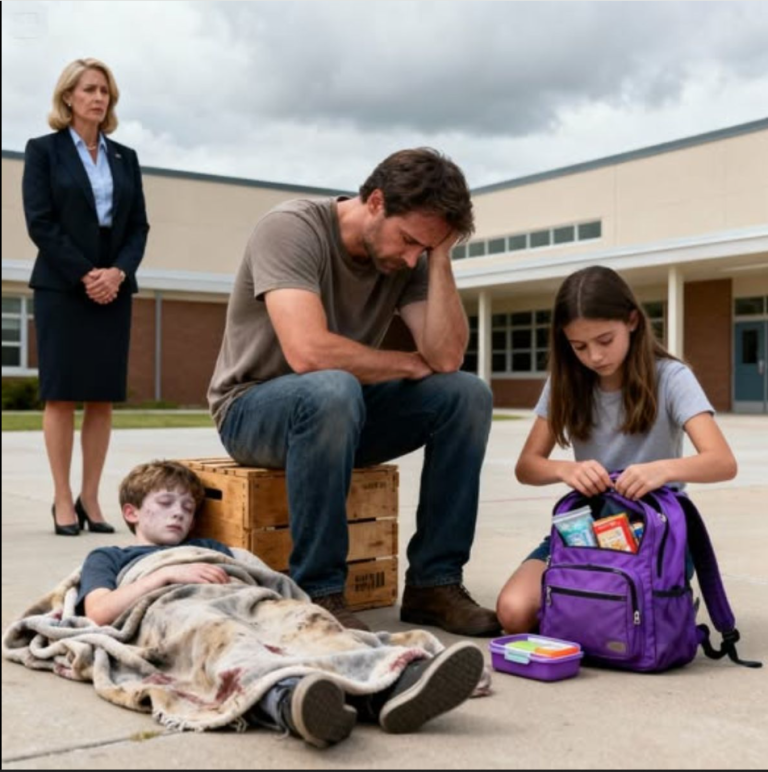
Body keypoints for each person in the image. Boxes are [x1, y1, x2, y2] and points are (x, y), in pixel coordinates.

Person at [208, 148, 499, 636]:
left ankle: (434, 584)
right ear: (377, 201)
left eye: (422, 249)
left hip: (341, 410)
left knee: (466, 394)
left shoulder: (414, 257)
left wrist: (440, 257)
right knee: (331, 387)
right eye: (409, 241)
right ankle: (318, 591)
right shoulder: (291, 228)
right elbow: (308, 352)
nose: (411, 257)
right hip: (253, 410)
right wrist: (406, 363)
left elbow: (446, 358)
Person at [77, 461, 487, 749]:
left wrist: (283, 600)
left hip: (239, 598)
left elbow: (259, 576)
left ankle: (393, 685)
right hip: (176, 608)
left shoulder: (208, 547)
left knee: (303, 623)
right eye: (166, 503)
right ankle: (293, 702)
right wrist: (166, 576)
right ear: (131, 512)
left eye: (188, 507)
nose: (179, 514)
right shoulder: (111, 557)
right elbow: (99, 611)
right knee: (223, 638)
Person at [496, 265, 738, 633]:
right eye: (579, 346)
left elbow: (723, 462)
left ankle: (652, 605)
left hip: (656, 533)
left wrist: (662, 470)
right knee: (514, 613)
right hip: (587, 528)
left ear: (632, 321)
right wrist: (566, 470)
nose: (594, 356)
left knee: (624, 621)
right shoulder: (565, 382)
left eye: (605, 340)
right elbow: (527, 467)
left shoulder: (671, 377)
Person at [22, 58, 149, 536]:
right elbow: (41, 223)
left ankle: (91, 498)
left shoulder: (126, 157)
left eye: (106, 92)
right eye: (90, 89)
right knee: (60, 395)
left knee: (101, 397)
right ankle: (62, 500)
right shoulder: (43, 151)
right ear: (68, 97)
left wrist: (116, 273)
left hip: (114, 287)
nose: (99, 98)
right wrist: (86, 274)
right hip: (62, 285)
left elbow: (138, 226)